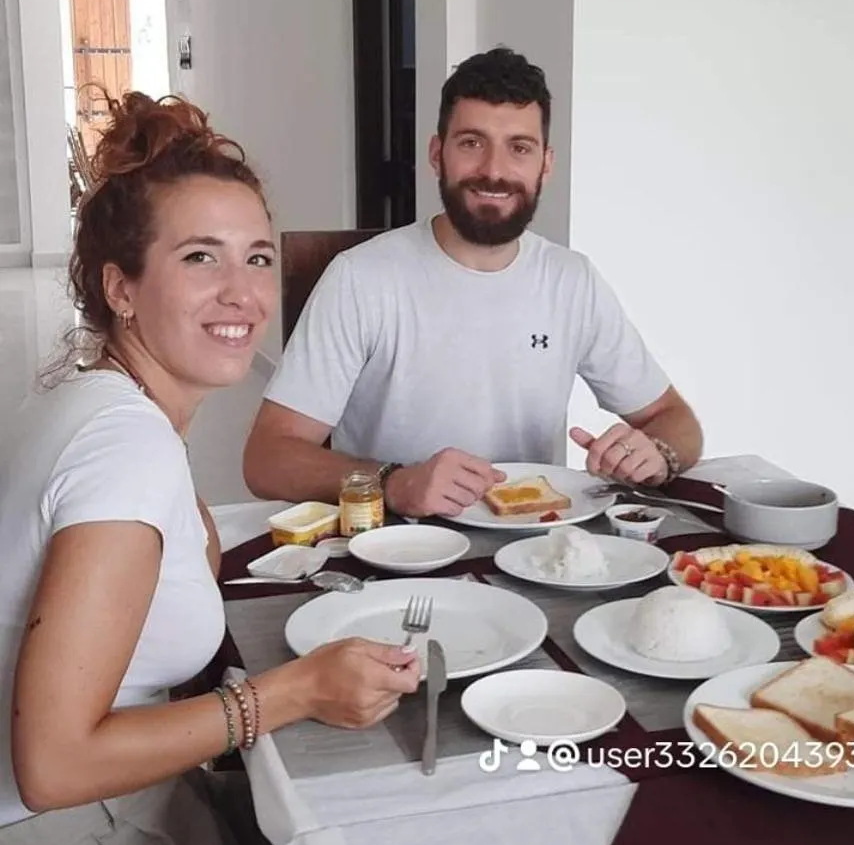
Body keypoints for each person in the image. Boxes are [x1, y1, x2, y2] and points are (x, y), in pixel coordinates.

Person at [0, 93, 420, 845]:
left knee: (376, 841)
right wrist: (283, 693)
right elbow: (53, 760)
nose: (243, 292)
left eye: (258, 257)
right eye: (200, 258)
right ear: (120, 286)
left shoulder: (109, 407)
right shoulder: (122, 451)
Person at [245, 47, 701, 517]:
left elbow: (678, 423)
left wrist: (657, 454)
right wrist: (395, 481)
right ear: (437, 154)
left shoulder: (572, 281)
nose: (494, 171)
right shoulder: (361, 278)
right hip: (396, 550)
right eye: (471, 143)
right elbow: (267, 459)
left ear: (546, 164)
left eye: (518, 148)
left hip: (536, 549)